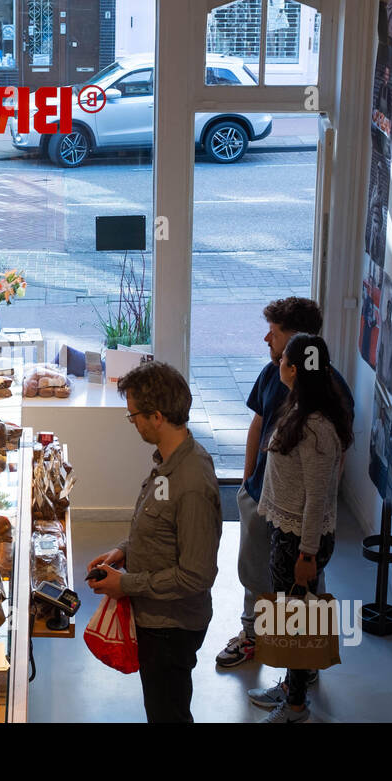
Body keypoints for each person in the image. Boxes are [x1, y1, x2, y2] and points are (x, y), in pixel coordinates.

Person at [216, 298, 352, 670]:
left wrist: (317, 523)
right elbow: (258, 426)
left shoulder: (331, 392)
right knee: (253, 571)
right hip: (262, 496)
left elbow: (333, 462)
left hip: (297, 516)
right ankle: (254, 637)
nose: (266, 339)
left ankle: (303, 663)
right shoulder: (271, 375)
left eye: (274, 334)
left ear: (296, 342)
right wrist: (247, 482)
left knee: (301, 588)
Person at [87, 361, 221, 723]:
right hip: (155, 618)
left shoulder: (191, 483)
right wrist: (123, 551)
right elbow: (159, 525)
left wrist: (125, 583)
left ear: (157, 416)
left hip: (170, 627)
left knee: (168, 714)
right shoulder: (168, 461)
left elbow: (196, 575)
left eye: (134, 416)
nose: (134, 424)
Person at [250, 334, 353, 722]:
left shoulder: (316, 428)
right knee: (292, 615)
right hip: (289, 533)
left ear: (293, 369)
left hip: (300, 540)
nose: (278, 365)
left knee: (295, 620)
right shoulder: (303, 409)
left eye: (284, 362)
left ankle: (294, 705)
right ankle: (292, 686)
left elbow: (317, 499)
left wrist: (307, 554)